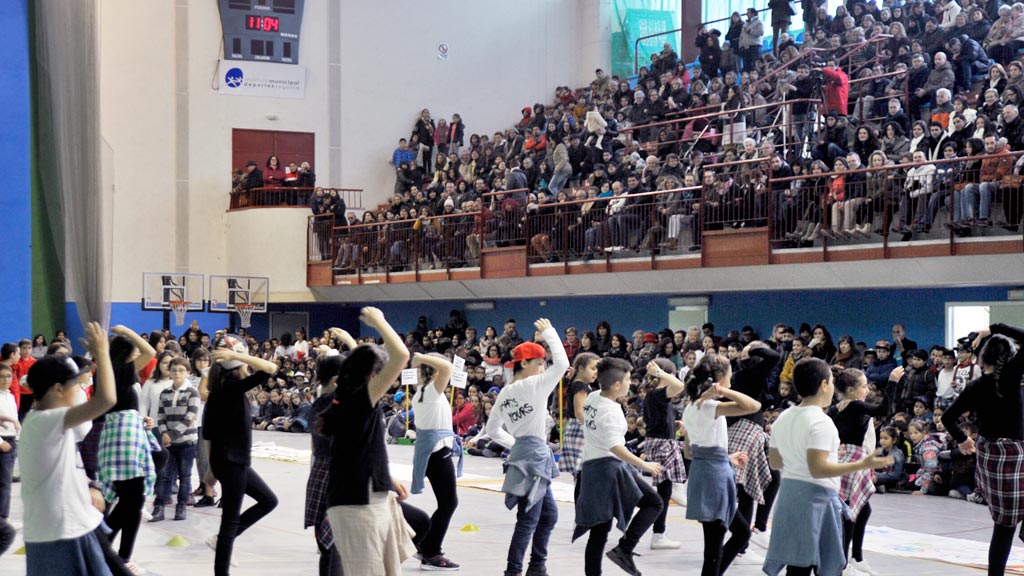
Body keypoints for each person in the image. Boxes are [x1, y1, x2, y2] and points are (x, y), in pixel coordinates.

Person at [764, 358, 892, 576]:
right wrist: (862, 464)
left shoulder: (783, 418)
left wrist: (803, 458)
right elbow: (818, 469)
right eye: (832, 381)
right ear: (824, 385)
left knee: (797, 565)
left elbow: (776, 462)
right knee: (825, 566)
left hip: (788, 495)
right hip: (815, 499)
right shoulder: (821, 422)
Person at [319, 308, 416, 576]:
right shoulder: (359, 399)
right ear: (373, 375)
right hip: (356, 503)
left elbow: (362, 448)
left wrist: (385, 477)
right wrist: (379, 322)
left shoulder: (351, 396)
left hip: (367, 494)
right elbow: (402, 355)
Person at [20, 322, 118, 575]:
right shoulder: (46, 420)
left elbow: (62, 467)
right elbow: (107, 399)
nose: (81, 388)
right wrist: (102, 352)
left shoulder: (46, 422)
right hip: (59, 532)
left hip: (73, 524)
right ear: (58, 389)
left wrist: (90, 485)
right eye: (76, 384)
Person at [485, 319, 571, 576]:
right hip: (533, 456)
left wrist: (518, 444)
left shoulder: (505, 392)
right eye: (539, 363)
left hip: (523, 453)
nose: (543, 368)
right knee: (529, 520)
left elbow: (492, 429)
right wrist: (550, 333)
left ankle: (536, 566)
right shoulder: (535, 385)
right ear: (524, 363)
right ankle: (515, 571)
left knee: (548, 515)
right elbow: (563, 364)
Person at [941, 324, 1024, 576]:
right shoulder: (1012, 376)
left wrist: (962, 439)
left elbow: (947, 417)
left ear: (982, 359)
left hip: (990, 458)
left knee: (1003, 527)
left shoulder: (975, 386)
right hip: (1014, 455)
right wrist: (992, 328)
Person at [572, 357, 664, 576]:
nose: (630, 383)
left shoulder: (593, 397)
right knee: (654, 503)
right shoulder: (611, 411)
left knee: (599, 531)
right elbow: (615, 447)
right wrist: (644, 464)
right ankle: (625, 548)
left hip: (590, 468)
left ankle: (609, 561)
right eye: (628, 379)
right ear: (616, 385)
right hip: (607, 469)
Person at [202, 334, 280, 576]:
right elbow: (270, 368)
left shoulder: (220, 391)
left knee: (268, 500)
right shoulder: (232, 389)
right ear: (238, 365)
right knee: (229, 522)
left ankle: (222, 539)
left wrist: (211, 469)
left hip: (229, 462)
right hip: (232, 462)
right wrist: (238, 356)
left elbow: (208, 434)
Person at [682, 354, 761, 576]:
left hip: (705, 471)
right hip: (713, 478)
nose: (731, 382)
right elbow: (754, 406)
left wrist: (725, 457)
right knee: (715, 545)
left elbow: (690, 451)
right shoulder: (709, 406)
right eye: (728, 377)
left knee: (738, 534)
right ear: (718, 378)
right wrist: (723, 391)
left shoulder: (691, 408)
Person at [828, 368, 888, 576]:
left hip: (848, 459)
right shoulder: (855, 406)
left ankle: (855, 557)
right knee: (850, 513)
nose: (867, 390)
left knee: (862, 510)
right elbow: (883, 409)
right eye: (864, 386)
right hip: (854, 460)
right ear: (852, 390)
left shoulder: (836, 409)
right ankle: (844, 562)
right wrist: (892, 383)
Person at [409, 352, 463, 570]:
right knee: (449, 503)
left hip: (434, 451)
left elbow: (445, 367)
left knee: (447, 502)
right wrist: (422, 356)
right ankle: (431, 552)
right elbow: (447, 367)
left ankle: (425, 545)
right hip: (438, 452)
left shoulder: (423, 392)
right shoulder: (430, 391)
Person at [641, 358, 689, 550]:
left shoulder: (655, 395)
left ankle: (659, 533)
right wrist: (660, 373)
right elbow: (680, 386)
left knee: (664, 489)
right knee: (665, 489)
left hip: (659, 441)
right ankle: (658, 533)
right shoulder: (659, 393)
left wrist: (673, 424)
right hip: (662, 443)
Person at [154, 357, 200, 522]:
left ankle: (181, 507)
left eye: (181, 370)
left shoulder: (192, 392)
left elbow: (189, 418)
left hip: (187, 442)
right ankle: (159, 507)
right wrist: (164, 433)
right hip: (169, 443)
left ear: (188, 372)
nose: (177, 373)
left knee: (185, 476)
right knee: (164, 476)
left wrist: (171, 435)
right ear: (169, 372)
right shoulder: (165, 393)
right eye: (174, 370)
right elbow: (160, 416)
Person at [559, 352, 600, 499]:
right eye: (592, 368)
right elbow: (579, 411)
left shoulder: (576, 382)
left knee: (581, 475)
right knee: (583, 473)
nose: (595, 373)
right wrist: (592, 428)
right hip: (580, 428)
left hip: (575, 427)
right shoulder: (581, 386)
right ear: (581, 368)